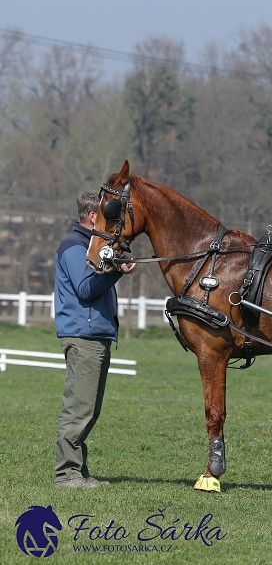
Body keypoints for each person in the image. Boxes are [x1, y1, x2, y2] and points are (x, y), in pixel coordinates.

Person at [54, 191, 136, 488]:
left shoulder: (90, 247)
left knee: (88, 408)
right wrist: (118, 272)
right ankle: (66, 475)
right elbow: (86, 289)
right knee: (79, 408)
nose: (113, 224)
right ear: (93, 217)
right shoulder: (74, 247)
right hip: (82, 337)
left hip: (94, 336)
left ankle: (78, 470)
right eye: (107, 217)